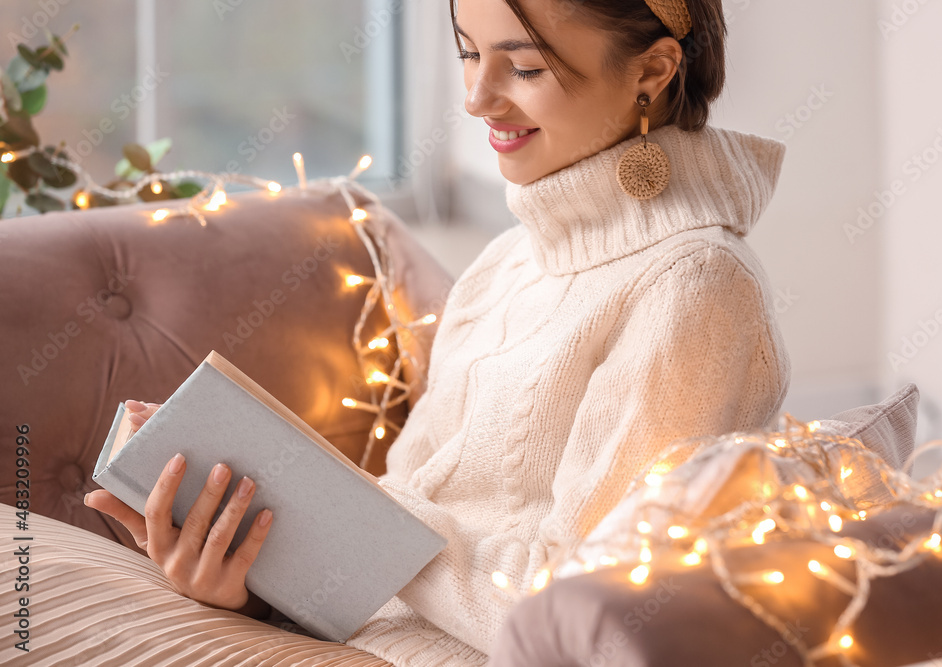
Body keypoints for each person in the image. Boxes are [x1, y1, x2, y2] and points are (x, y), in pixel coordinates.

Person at [39, 0, 791, 664]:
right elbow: (410, 508)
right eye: (468, 52)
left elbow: (590, 620)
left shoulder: (695, 288)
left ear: (653, 71)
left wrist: (370, 528)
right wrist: (248, 581)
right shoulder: (508, 262)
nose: (475, 99)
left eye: (524, 67)